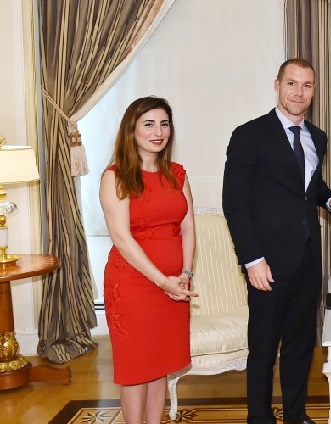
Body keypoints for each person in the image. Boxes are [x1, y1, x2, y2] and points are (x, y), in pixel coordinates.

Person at [222, 58, 331, 424]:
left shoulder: (318, 137)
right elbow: (234, 204)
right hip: (267, 264)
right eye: (292, 83)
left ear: (314, 90)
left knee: (300, 347)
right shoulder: (248, 135)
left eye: (307, 85)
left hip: (308, 260)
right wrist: (252, 260)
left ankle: (296, 415)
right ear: (277, 85)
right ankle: (260, 419)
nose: (299, 92)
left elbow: (307, 188)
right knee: (264, 350)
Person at [100, 96, 198, 424]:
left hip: (174, 283)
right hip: (133, 286)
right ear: (132, 130)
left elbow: (188, 227)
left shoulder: (177, 174)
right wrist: (162, 281)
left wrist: (185, 273)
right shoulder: (115, 177)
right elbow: (122, 240)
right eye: (149, 124)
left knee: (160, 365)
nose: (158, 131)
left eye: (164, 123)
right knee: (135, 369)